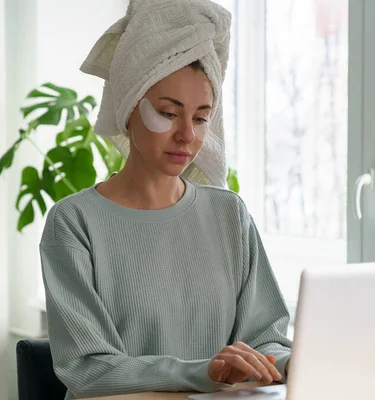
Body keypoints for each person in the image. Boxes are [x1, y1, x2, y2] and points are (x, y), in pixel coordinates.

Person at [39, 1, 292, 398]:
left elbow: (266, 338)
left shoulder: (229, 213)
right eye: (168, 113)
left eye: (201, 117)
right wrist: (204, 372)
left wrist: (287, 361)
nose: (187, 136)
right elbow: (88, 368)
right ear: (129, 109)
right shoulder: (74, 222)